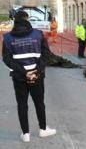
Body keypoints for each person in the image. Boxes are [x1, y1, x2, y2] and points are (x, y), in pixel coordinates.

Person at [2, 10, 56, 143]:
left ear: (15, 20)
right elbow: (47, 55)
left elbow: (6, 59)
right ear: (27, 19)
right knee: (39, 103)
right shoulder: (38, 34)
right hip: (36, 76)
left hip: (19, 78)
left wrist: (23, 72)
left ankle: (25, 134)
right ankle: (43, 130)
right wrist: (36, 71)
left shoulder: (8, 38)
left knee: (22, 105)